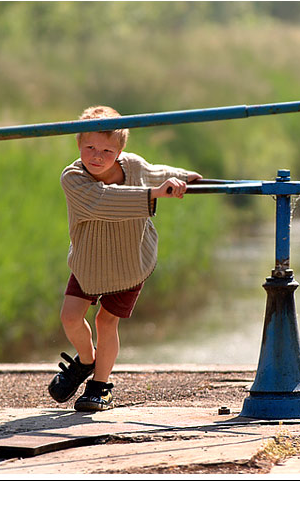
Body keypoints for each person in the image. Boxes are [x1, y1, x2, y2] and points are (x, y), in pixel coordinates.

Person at [48, 105, 202, 412]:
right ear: (78, 144)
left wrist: (184, 177)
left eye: (107, 149)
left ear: (120, 151)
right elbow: (102, 201)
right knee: (70, 317)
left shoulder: (132, 167)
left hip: (130, 260)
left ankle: (99, 386)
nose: (97, 156)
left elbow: (156, 173)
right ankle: (85, 362)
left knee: (106, 321)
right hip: (89, 261)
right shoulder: (73, 178)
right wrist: (154, 194)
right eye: (89, 147)